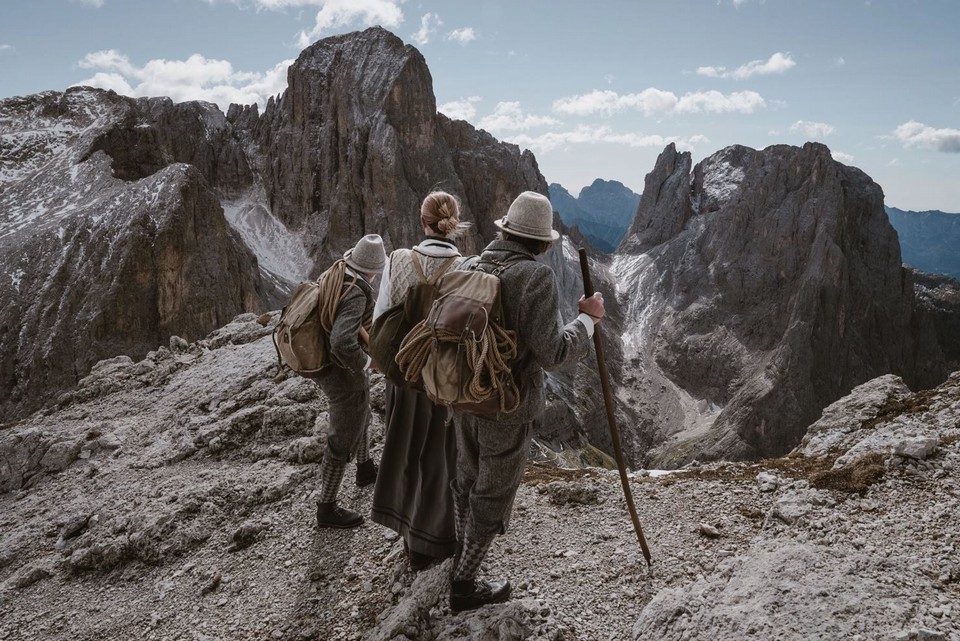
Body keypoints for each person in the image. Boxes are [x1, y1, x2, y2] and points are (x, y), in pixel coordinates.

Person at [449, 191, 605, 612]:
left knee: (465, 479)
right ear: (543, 242)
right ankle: (464, 584)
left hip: (463, 395)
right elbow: (553, 351)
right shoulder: (534, 278)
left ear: (505, 230)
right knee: (494, 492)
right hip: (505, 404)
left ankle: (462, 560)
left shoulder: (470, 264)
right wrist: (587, 321)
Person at [371, 191, 469, 569]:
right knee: (442, 459)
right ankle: (438, 538)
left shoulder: (397, 260)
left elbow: (381, 319)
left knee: (404, 453)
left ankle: (409, 536)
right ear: (454, 222)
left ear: (422, 221)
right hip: (445, 379)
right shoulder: (468, 266)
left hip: (404, 375)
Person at [313, 234, 387, 529]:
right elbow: (342, 341)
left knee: (363, 412)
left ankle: (365, 467)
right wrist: (369, 362)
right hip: (341, 371)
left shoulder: (338, 270)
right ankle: (327, 507)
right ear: (372, 270)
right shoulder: (356, 291)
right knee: (343, 434)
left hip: (331, 365)